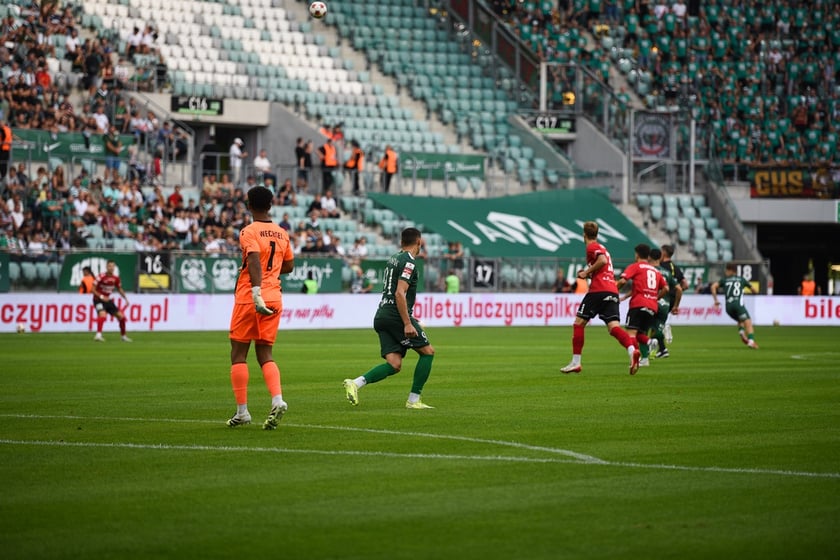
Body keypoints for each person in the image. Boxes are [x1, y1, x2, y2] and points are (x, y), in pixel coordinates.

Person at [225, 186, 295, 429]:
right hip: (274, 296)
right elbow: (289, 266)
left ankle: (242, 411)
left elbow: (254, 259)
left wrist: (256, 291)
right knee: (265, 353)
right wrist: (269, 271)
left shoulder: (249, 231)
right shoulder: (282, 233)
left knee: (238, 354)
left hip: (250, 297)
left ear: (248, 205)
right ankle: (277, 399)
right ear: (271, 205)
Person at [343, 227, 436, 409]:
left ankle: (355, 383)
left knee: (394, 364)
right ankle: (413, 400)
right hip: (395, 315)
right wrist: (407, 322)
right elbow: (399, 293)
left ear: (401, 242)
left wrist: (409, 316)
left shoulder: (394, 258)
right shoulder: (409, 262)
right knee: (428, 352)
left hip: (382, 314)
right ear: (419, 242)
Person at [560, 221, 639, 374]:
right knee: (614, 327)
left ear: (584, 235)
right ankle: (632, 351)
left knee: (578, 324)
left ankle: (576, 362)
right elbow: (603, 266)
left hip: (598, 290)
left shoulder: (592, 247)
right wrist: (589, 273)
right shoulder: (603, 248)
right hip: (612, 290)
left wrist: (585, 272)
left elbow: (602, 261)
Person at [616, 244, 668, 369]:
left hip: (638, 304)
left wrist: (613, 291)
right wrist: (656, 298)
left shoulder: (635, 266)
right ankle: (649, 345)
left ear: (637, 254)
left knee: (631, 334)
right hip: (652, 306)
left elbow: (623, 281)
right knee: (641, 333)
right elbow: (666, 288)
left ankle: (636, 359)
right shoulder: (655, 270)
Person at [711, 263, 759, 349]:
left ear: (731, 271)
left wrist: (716, 300)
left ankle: (741, 332)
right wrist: (750, 292)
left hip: (728, 307)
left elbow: (713, 287)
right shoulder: (742, 279)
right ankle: (751, 341)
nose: (726, 272)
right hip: (738, 305)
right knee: (748, 321)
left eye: (727, 270)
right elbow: (754, 291)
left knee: (740, 319)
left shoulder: (724, 280)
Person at [646, 247, 682, 359]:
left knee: (643, 328)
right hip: (665, 304)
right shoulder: (668, 272)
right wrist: (675, 306)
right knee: (656, 328)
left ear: (649, 257)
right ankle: (661, 349)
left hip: (651, 301)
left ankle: (645, 354)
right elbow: (680, 288)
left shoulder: (648, 270)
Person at [92, 260, 132, 342]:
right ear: (106, 267)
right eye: (109, 266)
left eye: (113, 266)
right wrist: (102, 296)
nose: (111, 268)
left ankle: (123, 336)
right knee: (102, 315)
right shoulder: (101, 276)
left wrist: (126, 299)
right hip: (98, 300)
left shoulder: (116, 278)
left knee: (121, 317)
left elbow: (119, 289)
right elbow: (92, 289)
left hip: (107, 300)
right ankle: (98, 335)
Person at [660, 244, 687, 344]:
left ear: (664, 253)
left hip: (662, 297)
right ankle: (661, 348)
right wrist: (675, 293)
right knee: (659, 320)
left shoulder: (660, 266)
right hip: (672, 298)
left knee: (651, 321)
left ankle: (663, 327)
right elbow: (685, 285)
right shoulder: (675, 267)